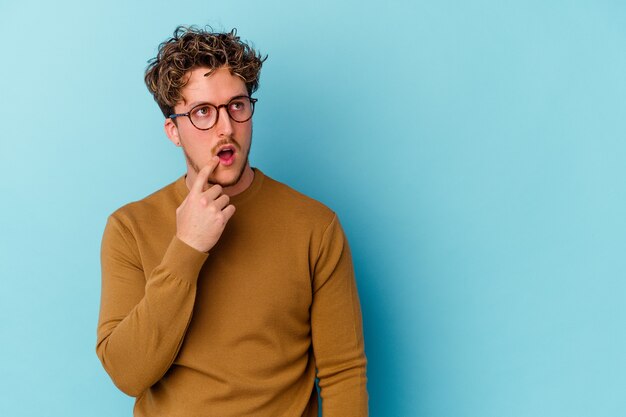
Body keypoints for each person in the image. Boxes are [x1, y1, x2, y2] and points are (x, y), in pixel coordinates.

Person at [96, 26, 367, 417]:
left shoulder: (315, 226)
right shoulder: (129, 228)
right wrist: (186, 248)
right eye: (203, 112)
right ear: (174, 130)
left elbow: (343, 374)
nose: (226, 128)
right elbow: (128, 374)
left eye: (237, 106)